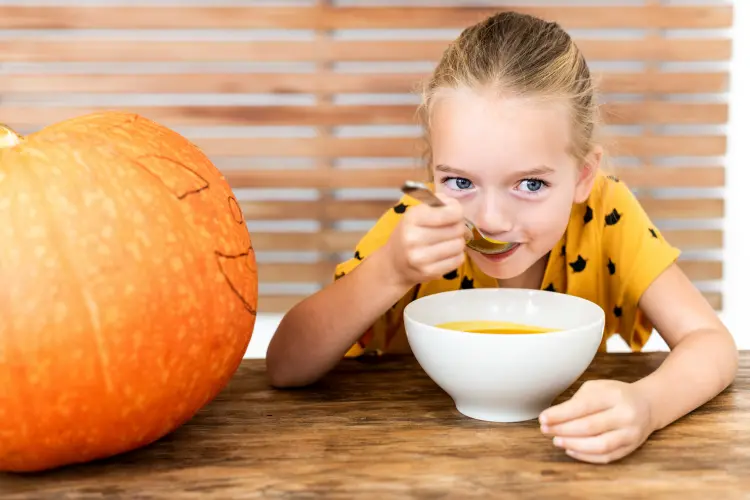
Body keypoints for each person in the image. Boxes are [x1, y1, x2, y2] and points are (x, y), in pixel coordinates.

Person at [266, 11, 738, 464]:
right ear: (434, 170)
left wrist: (648, 405)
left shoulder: (607, 215)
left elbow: (710, 342)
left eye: (530, 184)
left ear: (582, 175)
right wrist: (389, 271)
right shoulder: (418, 225)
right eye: (461, 182)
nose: (490, 220)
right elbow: (286, 366)